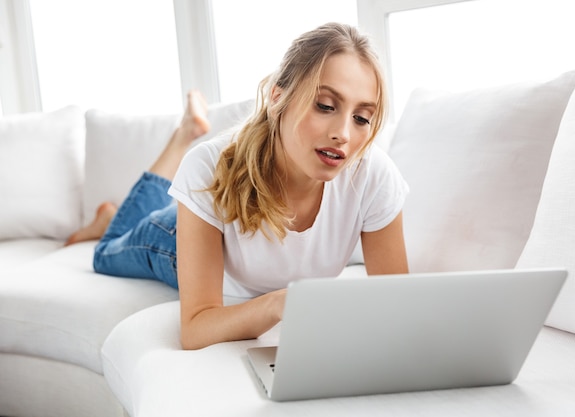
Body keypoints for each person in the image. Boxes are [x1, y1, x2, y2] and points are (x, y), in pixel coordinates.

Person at [66, 22, 409, 350]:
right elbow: (196, 328)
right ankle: (162, 159)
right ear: (277, 98)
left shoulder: (373, 176)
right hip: (172, 237)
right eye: (325, 106)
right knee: (105, 253)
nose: (344, 134)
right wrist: (274, 305)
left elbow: (399, 311)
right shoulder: (207, 168)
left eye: (362, 117)